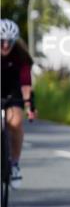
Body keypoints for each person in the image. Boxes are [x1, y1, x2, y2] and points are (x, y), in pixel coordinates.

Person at [1, 19, 36, 189]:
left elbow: (26, 83)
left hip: (13, 90)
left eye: (10, 41)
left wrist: (29, 105)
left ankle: (14, 164)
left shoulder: (21, 54)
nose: (6, 45)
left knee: (15, 122)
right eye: (1, 41)